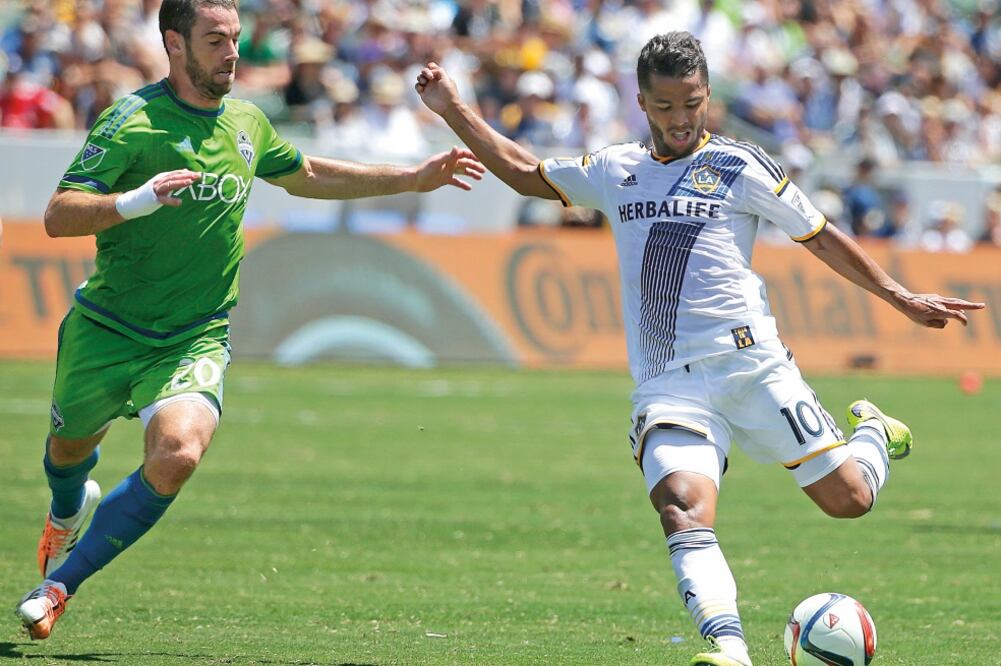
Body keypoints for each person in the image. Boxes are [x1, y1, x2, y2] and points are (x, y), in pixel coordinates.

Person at [415, 32, 984, 666]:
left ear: (707, 95)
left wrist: (901, 297)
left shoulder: (743, 166)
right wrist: (452, 109)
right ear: (641, 102)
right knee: (683, 509)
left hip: (754, 365)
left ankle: (873, 433)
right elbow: (526, 175)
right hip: (669, 383)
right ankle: (728, 648)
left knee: (849, 500)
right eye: (665, 106)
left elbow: (818, 237)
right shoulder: (615, 170)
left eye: (692, 103)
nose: (681, 119)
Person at [15, 0, 483, 641]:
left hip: (193, 333)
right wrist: (135, 201)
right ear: (174, 45)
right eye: (215, 40)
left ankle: (59, 585)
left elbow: (308, 173)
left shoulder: (247, 121)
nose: (232, 53)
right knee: (66, 456)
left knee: (178, 451)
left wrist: (412, 177)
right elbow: (58, 214)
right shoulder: (132, 121)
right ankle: (65, 511)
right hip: (107, 327)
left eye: (235, 39)